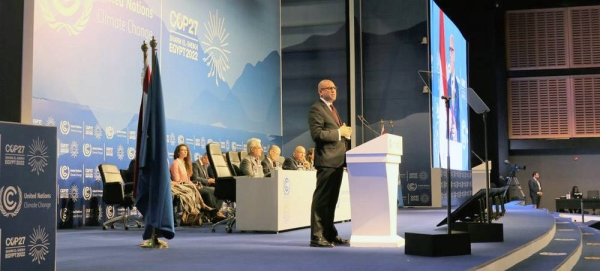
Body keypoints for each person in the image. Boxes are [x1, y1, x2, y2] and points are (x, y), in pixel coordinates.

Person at [307, 79, 352, 248]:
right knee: (322, 200)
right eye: (328, 88)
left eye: (334, 87)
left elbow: (333, 131)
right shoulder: (316, 109)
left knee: (331, 201)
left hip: (337, 160)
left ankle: (329, 234)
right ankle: (316, 237)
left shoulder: (331, 108)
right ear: (320, 92)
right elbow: (317, 134)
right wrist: (339, 132)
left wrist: (344, 133)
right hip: (326, 160)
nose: (333, 90)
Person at [170, 144, 221, 225]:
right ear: (178, 152)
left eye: (186, 150)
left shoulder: (185, 163)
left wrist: (194, 184)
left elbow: (188, 180)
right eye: (183, 150)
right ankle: (211, 212)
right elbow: (177, 180)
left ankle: (215, 212)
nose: (185, 152)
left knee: (216, 190)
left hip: (188, 185)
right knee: (206, 192)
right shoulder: (175, 163)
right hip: (181, 186)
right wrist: (191, 185)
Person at [447, 34, 460, 142]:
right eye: (449, 50)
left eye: (452, 50)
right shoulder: (446, 83)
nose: (450, 53)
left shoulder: (457, 84)